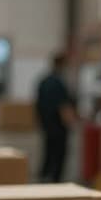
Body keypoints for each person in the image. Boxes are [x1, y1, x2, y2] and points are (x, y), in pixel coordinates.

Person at [35, 51, 76, 183]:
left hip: (46, 125)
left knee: (48, 152)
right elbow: (63, 106)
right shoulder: (59, 83)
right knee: (59, 154)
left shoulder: (43, 81)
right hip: (58, 127)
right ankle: (55, 181)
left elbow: (37, 104)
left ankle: (44, 177)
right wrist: (71, 122)